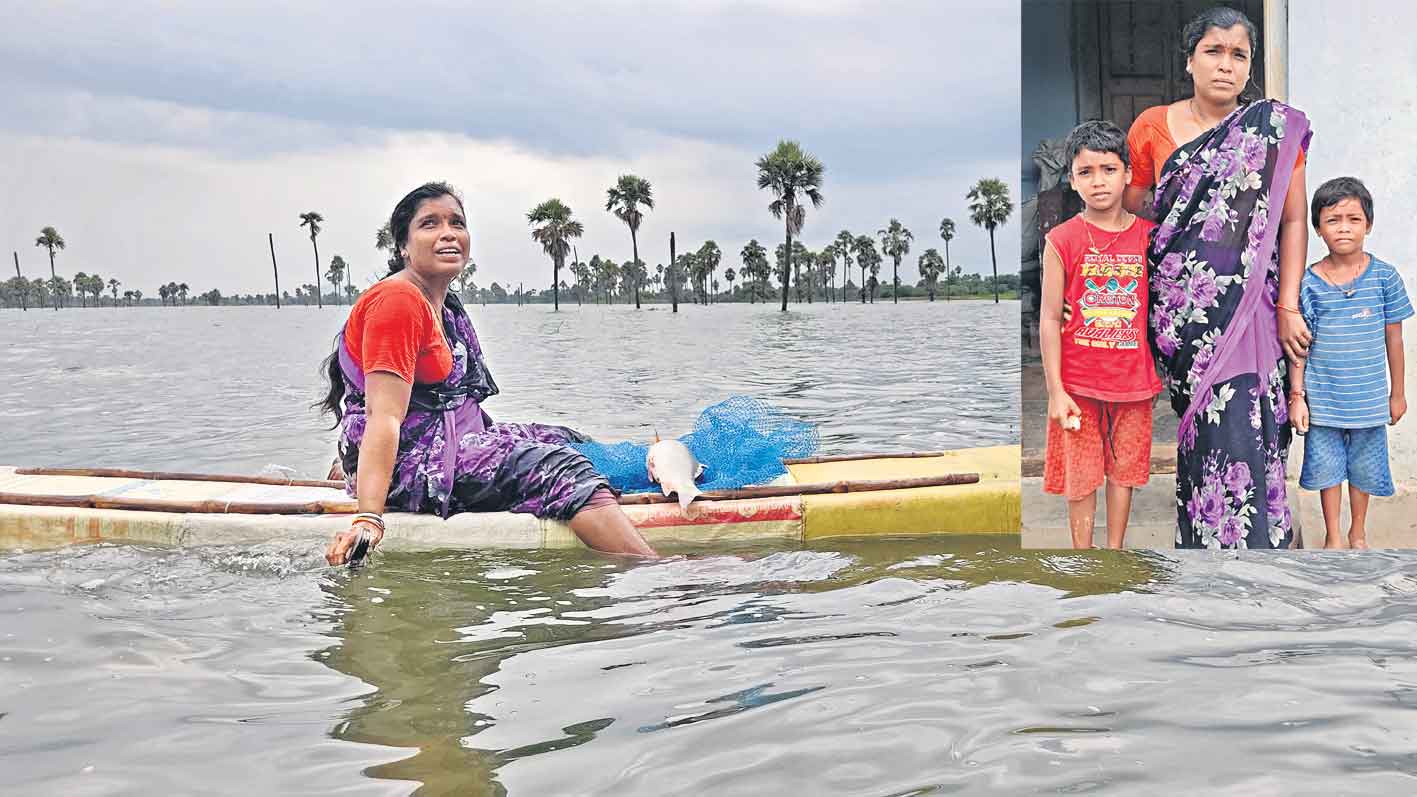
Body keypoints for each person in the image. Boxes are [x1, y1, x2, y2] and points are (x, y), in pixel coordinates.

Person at [318, 182, 657, 564]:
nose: (448, 233)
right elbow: (386, 417)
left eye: (456, 223)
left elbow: (453, 403)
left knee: (568, 440)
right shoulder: (398, 301)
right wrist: (368, 518)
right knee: (562, 467)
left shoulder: (440, 303)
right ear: (403, 246)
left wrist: (499, 442)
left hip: (438, 443)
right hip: (411, 463)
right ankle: (655, 573)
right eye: (429, 224)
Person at [1124, 6, 1312, 549]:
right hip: (1183, 314)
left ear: (1250, 66)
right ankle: (1204, 554)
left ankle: (1260, 553)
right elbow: (1139, 210)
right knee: (1204, 428)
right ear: (1189, 61)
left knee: (1250, 424)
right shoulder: (1152, 127)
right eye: (1213, 51)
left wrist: (1287, 306)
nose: (1225, 66)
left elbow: (1293, 219)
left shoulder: (1274, 133)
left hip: (1252, 309)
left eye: (1239, 55)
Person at [1041, 120, 1161, 549]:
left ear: (1128, 173)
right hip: (1077, 384)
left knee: (1124, 471)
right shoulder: (1062, 240)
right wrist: (1055, 390)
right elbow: (1050, 318)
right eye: (1086, 172)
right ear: (1072, 181)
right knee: (1082, 472)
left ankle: (1114, 553)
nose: (1098, 181)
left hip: (1133, 381)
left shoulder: (1151, 239)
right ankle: (1082, 558)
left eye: (1109, 170)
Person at [1290, 178, 1411, 549]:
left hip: (1369, 399)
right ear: (1317, 229)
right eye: (1333, 220)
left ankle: (1358, 531)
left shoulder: (1384, 277)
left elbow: (1395, 338)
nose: (1343, 227)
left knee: (1363, 470)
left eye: (1353, 219)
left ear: (1368, 225)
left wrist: (1398, 394)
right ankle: (1333, 535)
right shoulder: (1308, 282)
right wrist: (1298, 396)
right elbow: (1299, 345)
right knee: (1328, 471)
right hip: (1324, 399)